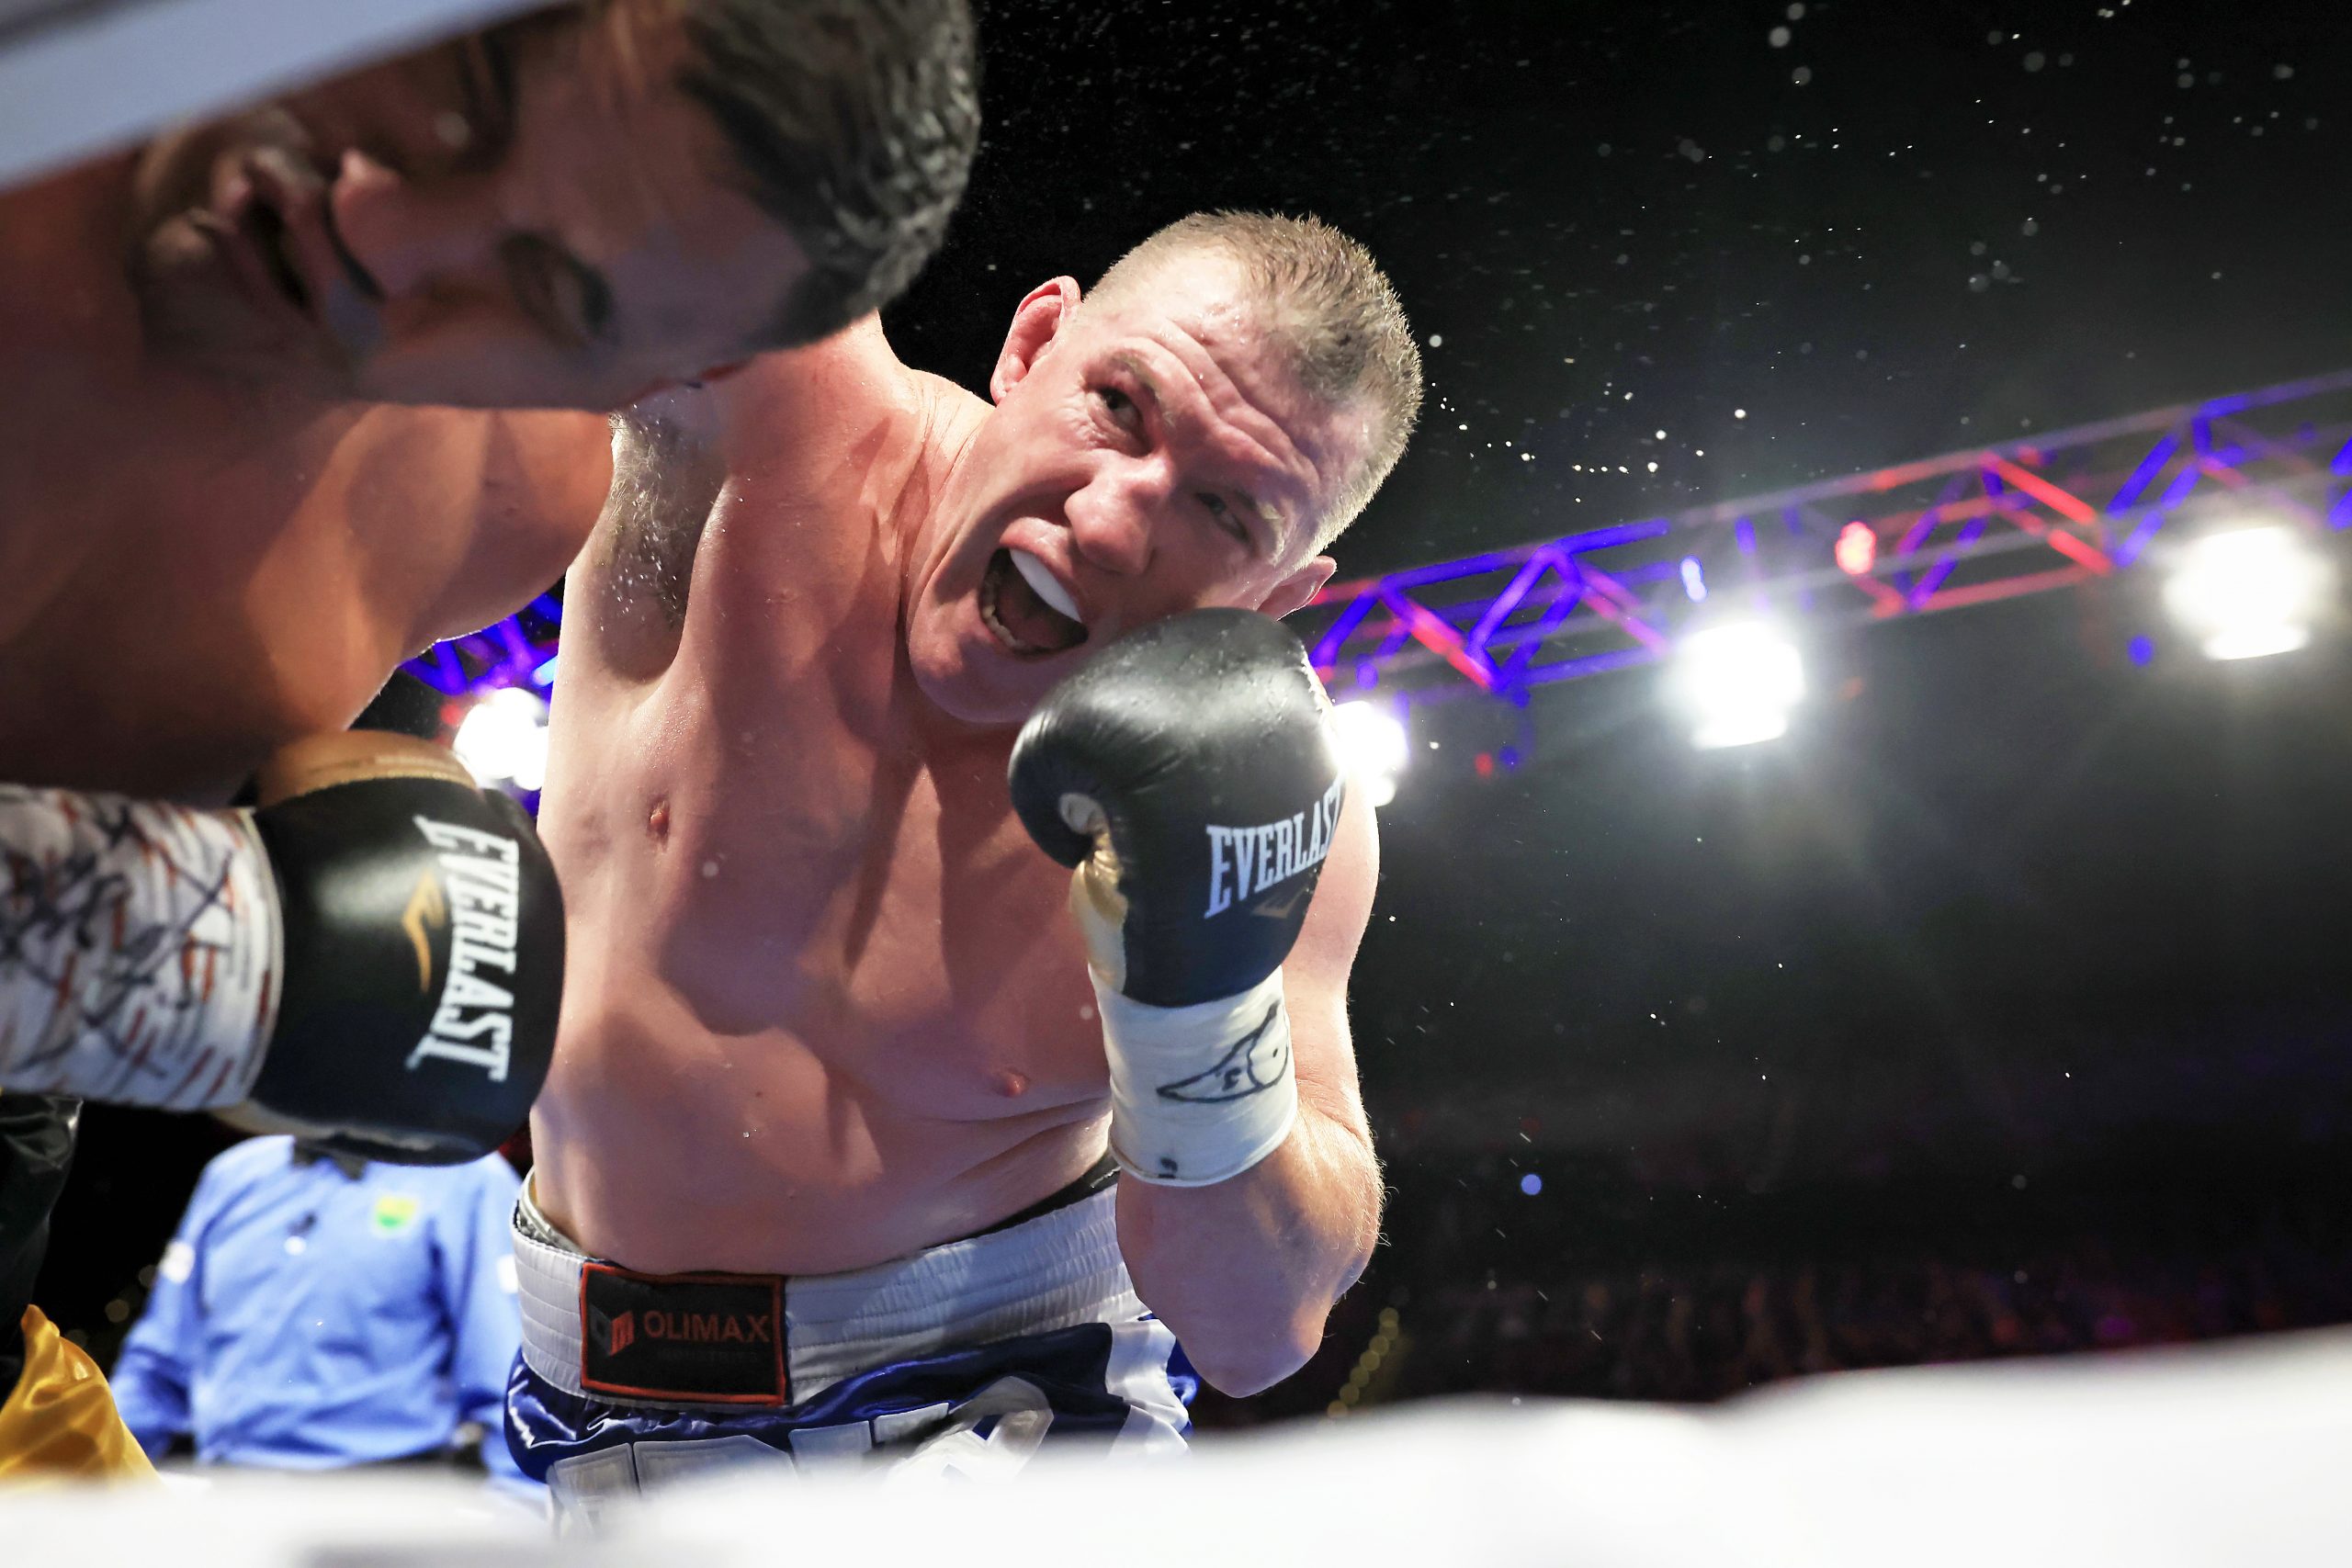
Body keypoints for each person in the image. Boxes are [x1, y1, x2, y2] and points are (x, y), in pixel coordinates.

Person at [0, 0, 981, 1479]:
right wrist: (182, 945)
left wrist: (304, 858)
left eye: (541, 285)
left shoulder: (501, 497)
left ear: (612, 383)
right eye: (466, 87)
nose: (379, 224)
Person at [510, 211, 1421, 1506]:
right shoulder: (777, 420)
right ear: (1034, 339)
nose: (1112, 526)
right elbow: (614, 131)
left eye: (1224, 509)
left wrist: (1199, 1009)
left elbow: (1258, 1327)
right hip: (584, 1408)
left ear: (1279, 595)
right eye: (1119, 406)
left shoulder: (1283, 811)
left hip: (1002, 1412)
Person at [110, 1136, 527, 1481]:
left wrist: (509, 1529)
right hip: (228, 1493)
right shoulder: (231, 1176)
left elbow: (509, 1389)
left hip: (391, 1501)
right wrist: (86, 1486)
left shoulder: (468, 1180)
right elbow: (155, 1369)